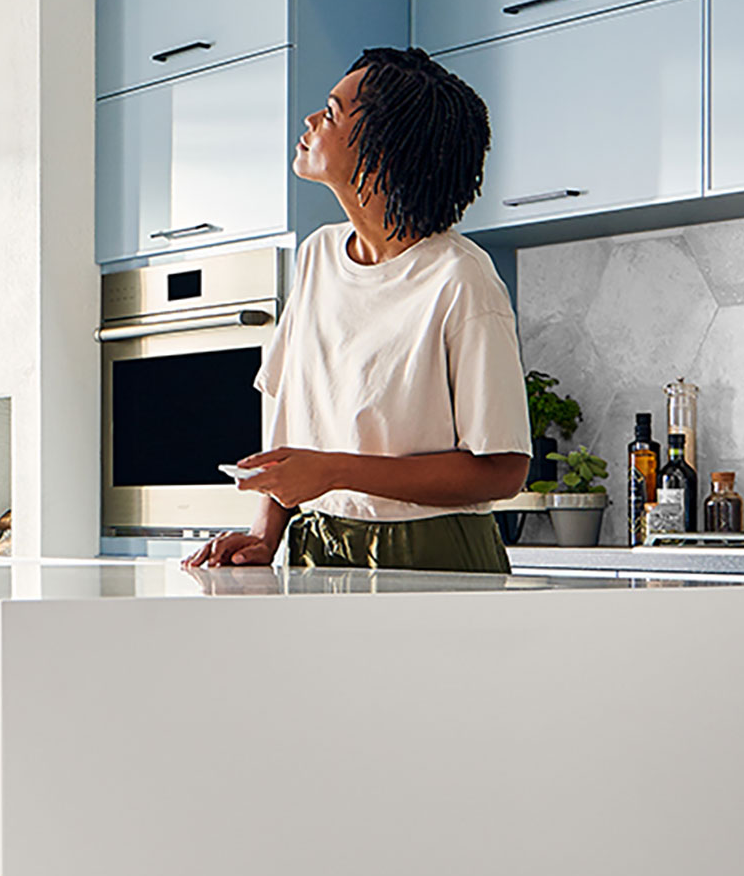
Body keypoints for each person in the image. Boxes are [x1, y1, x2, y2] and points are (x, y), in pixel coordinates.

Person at [188, 46, 530, 573]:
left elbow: (504, 469)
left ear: (383, 149)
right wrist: (265, 534)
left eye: (331, 111)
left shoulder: (461, 278)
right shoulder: (316, 257)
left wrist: (335, 472)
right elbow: (294, 419)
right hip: (318, 547)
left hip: (434, 551)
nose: (311, 119)